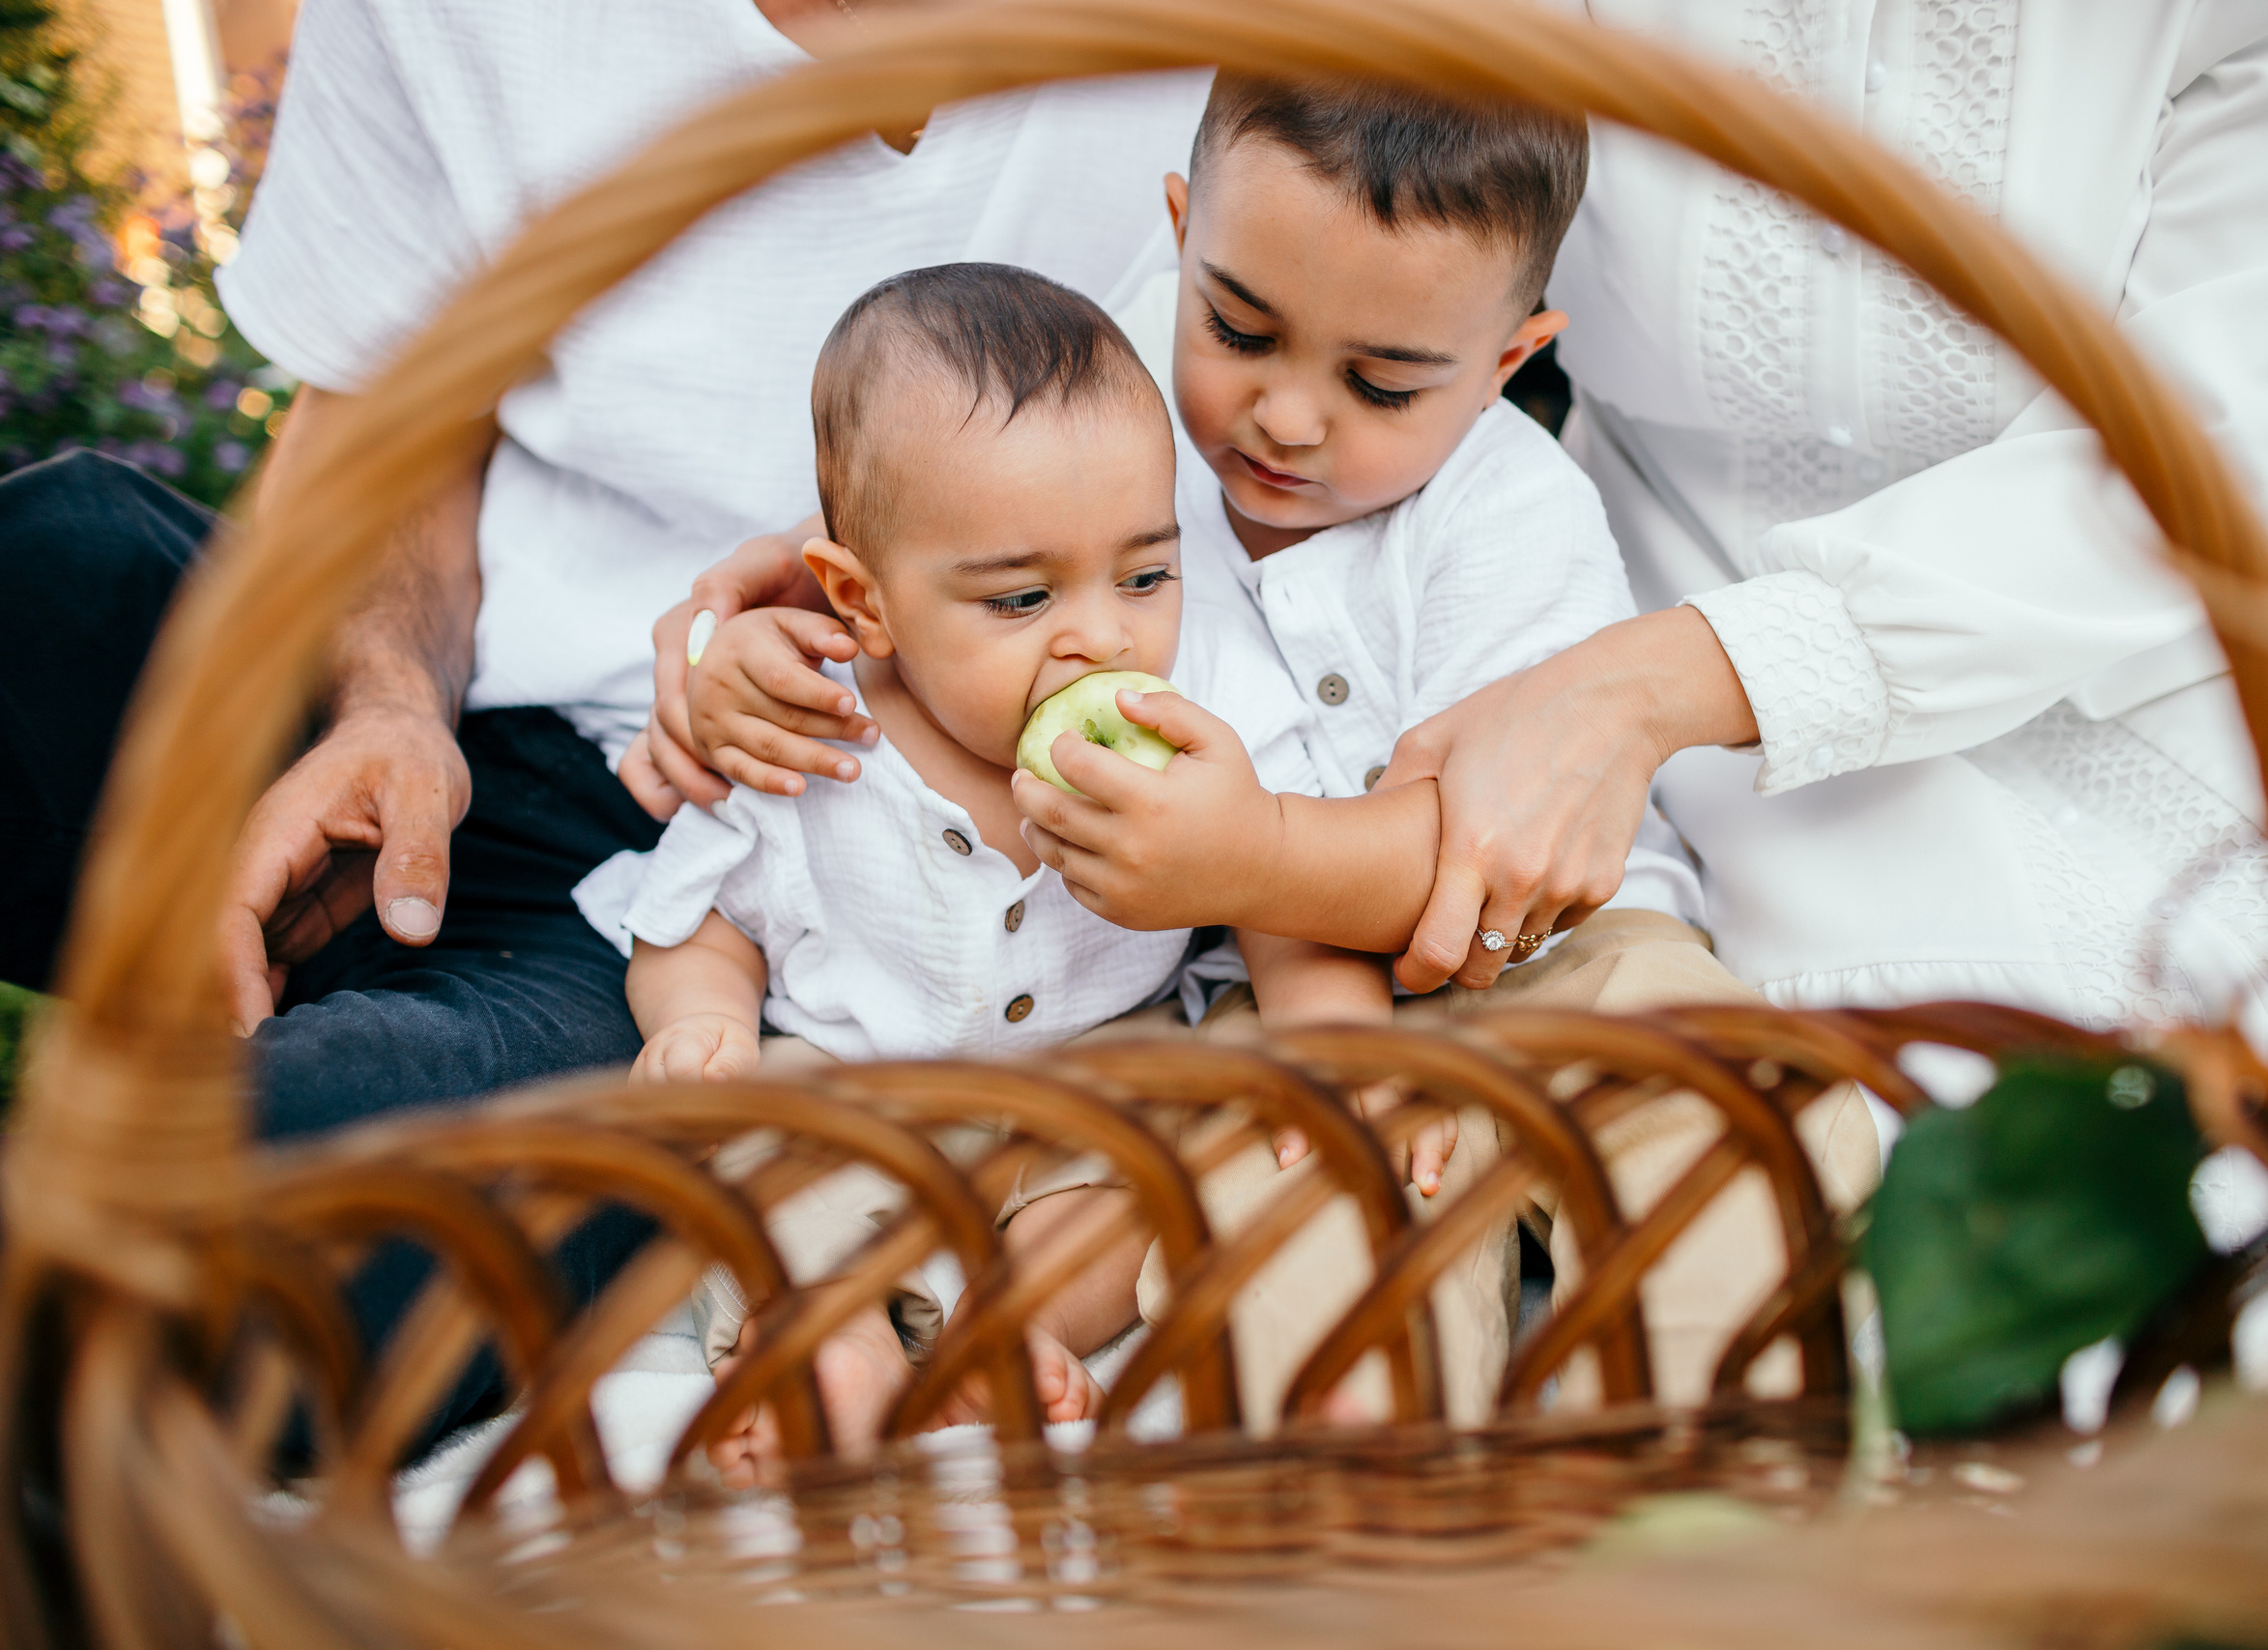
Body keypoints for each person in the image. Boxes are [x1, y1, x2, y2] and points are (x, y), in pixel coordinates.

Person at [0, 0, 1206, 1452]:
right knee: (55, 562)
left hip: (679, 892)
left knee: (271, 1191)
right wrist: (385, 704)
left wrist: (1560, 684)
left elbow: (1412, 341)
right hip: (452, 709)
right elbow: (377, 422)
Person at [692, 75, 1878, 1423]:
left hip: (1563, 946)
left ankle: (1715, 1461)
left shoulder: (1506, 511)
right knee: (1299, 1231)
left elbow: (1490, 848)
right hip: (1281, 991)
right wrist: (744, 645)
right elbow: (930, 537)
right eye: (1239, 328)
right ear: (1182, 241)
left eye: (1381, 380)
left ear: (1506, 362)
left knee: (1723, 1126)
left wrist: (1243, 855)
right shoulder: (1117, 423)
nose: (1289, 418)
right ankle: (1342, 1524)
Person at [1348, 0, 2268, 1057]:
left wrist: (1635, 692)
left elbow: (2196, 438)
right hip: (1673, 594)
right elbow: (1305, 185)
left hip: (2167, 625)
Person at [585, 262, 1406, 1465]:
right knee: (755, 1164)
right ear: (863, 604)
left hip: (1093, 1081)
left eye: (1144, 574)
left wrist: (1338, 1047)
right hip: (854, 1090)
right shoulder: (809, 731)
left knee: (1155, 1182)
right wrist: (699, 1026)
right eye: (1021, 598)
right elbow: (696, 920)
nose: (1103, 634)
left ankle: (1000, 1333)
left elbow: (1275, 905)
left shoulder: (1203, 708)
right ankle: (832, 1343)